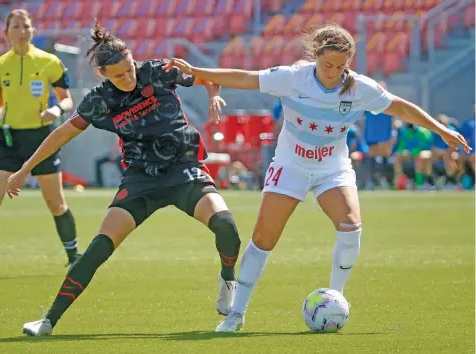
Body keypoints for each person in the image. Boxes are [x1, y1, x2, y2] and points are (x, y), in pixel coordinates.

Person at [162, 24, 472, 332]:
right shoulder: (293, 78)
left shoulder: (359, 88)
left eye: (340, 66)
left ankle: (336, 297)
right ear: (315, 56)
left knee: (350, 225)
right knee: (264, 239)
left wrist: (441, 130)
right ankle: (236, 314)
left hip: (332, 169)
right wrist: (197, 70)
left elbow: (401, 108)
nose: (333, 72)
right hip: (290, 165)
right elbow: (244, 78)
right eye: (327, 64)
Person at [7, 20, 241, 336]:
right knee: (99, 248)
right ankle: (48, 320)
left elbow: (206, 77)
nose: (128, 78)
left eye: (130, 69)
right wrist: (24, 169)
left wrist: (213, 95)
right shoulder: (99, 100)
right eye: (119, 75)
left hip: (184, 170)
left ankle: (228, 279)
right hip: (141, 180)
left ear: (133, 58)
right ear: (103, 74)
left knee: (226, 226)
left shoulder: (158, 70)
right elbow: (61, 134)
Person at [0, 9, 80, 279]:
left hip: (41, 139)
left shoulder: (50, 62)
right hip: (9, 140)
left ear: (33, 31)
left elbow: (67, 100)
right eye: (16, 26)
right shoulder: (0, 65)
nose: (22, 31)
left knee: (56, 203)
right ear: (6, 33)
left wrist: (56, 111)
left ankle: (74, 257)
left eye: (26, 26)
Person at [362, 81, 396, 189]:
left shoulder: (390, 101)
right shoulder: (368, 102)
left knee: (385, 157)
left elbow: (394, 120)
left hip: (384, 134)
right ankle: (372, 181)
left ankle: (387, 181)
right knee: (372, 157)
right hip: (372, 134)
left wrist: (393, 134)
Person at [393, 123, 435, 190]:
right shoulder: (404, 131)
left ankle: (419, 184)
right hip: (411, 153)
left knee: (420, 157)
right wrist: (401, 152)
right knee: (397, 157)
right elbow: (401, 146)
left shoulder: (423, 131)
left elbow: (425, 146)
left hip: (424, 152)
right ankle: (399, 183)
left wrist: (413, 152)